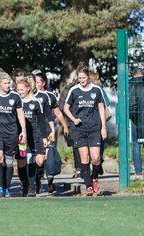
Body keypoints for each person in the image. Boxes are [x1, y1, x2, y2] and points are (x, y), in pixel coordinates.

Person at [63, 63, 107, 196]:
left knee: (95, 158)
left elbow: (101, 108)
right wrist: (73, 119)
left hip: (94, 128)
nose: (82, 80)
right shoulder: (74, 90)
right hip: (79, 129)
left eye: (84, 78)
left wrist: (103, 127)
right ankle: (88, 186)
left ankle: (94, 177)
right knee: (84, 157)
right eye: (79, 78)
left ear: (88, 77)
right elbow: (65, 108)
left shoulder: (96, 90)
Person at [34, 72, 69, 192]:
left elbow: (57, 113)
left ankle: (50, 182)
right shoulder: (29, 96)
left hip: (48, 130)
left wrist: (65, 126)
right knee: (39, 159)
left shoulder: (49, 96)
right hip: (34, 131)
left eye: (37, 82)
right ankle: (37, 181)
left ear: (43, 83)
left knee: (47, 156)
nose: (35, 84)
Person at [15, 77, 47, 197]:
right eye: (18, 89)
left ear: (28, 88)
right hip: (21, 137)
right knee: (23, 162)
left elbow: (41, 121)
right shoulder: (16, 102)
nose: (20, 92)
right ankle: (27, 185)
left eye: (22, 89)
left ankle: (36, 181)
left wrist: (44, 137)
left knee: (39, 161)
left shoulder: (35, 102)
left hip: (35, 135)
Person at [89, 72, 110, 175]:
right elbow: (108, 103)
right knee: (100, 143)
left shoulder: (95, 89)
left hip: (93, 121)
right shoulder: (99, 89)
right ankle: (99, 160)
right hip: (100, 121)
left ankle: (95, 164)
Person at [129, 68, 144, 178]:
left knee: (136, 143)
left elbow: (130, 103)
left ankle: (138, 171)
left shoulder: (130, 85)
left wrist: (132, 116)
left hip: (135, 118)